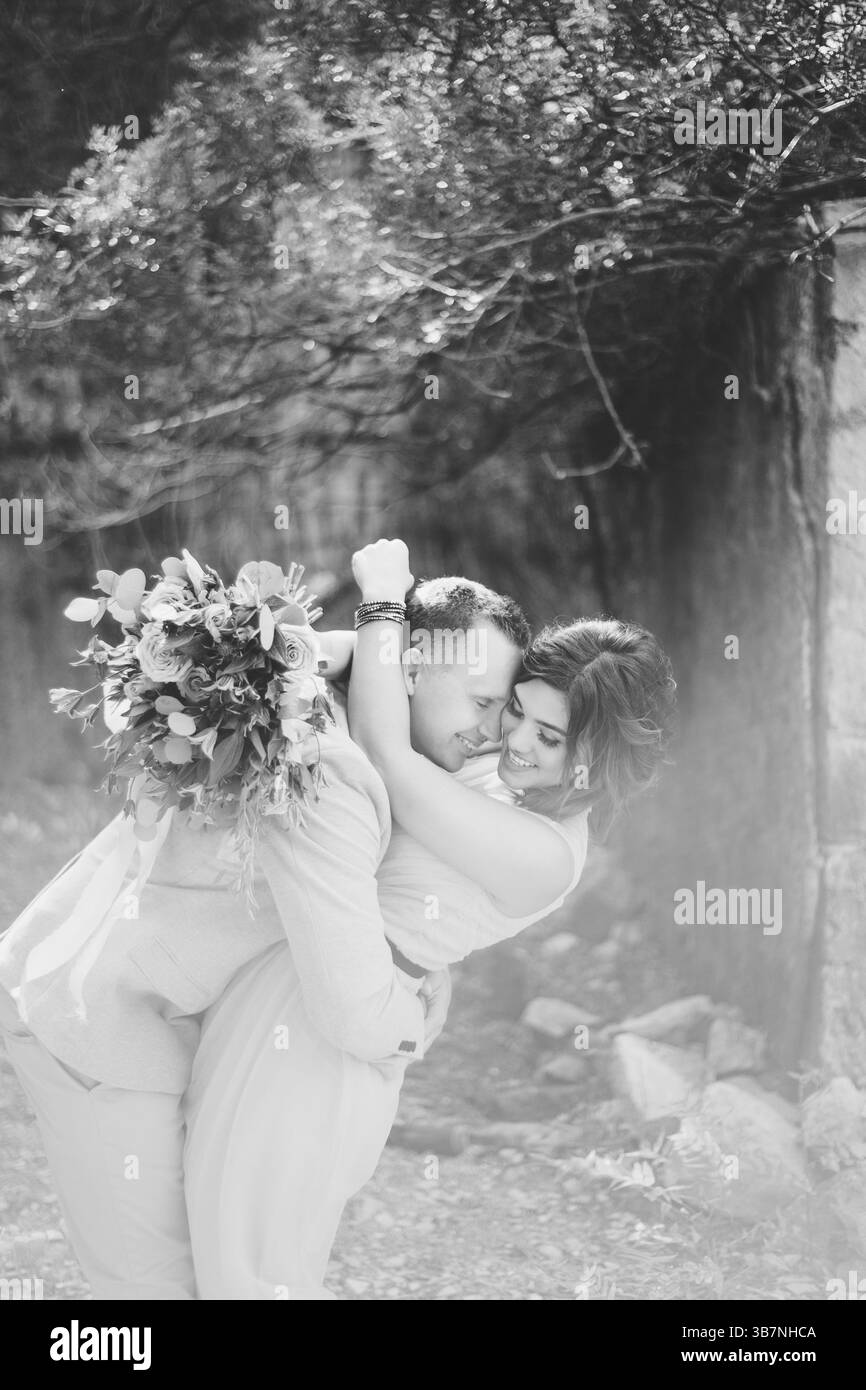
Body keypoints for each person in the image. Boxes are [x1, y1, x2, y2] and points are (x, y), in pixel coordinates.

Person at [0, 555, 530, 1300]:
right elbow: (350, 1010)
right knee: (154, 1294)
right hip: (99, 1023)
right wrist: (410, 1019)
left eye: (501, 712)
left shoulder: (320, 701)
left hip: (158, 1002)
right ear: (410, 665)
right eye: (481, 702)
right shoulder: (328, 766)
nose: (488, 733)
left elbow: (338, 898)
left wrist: (425, 961)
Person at [181, 539, 676, 1298]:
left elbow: (388, 754)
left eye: (550, 738)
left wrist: (382, 596)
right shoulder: (502, 772)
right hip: (291, 980)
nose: (513, 740)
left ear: (599, 760)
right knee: (215, 1234)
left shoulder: (546, 852)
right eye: (514, 710)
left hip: (336, 1027)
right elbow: (359, 676)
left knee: (262, 1257)